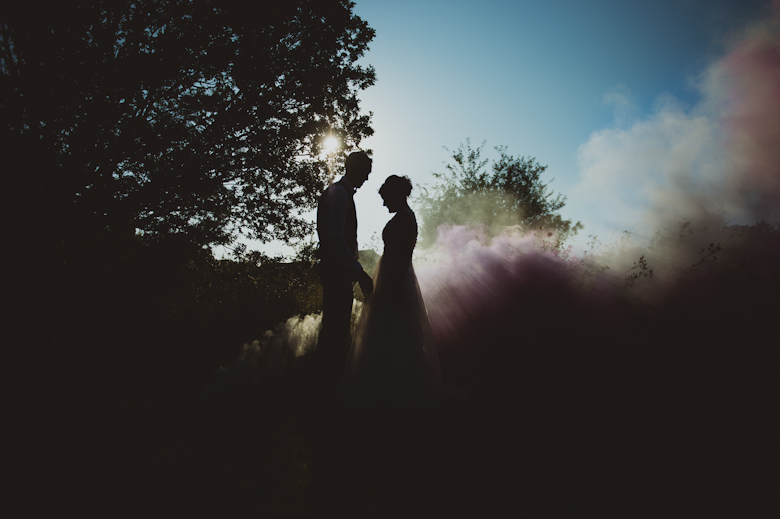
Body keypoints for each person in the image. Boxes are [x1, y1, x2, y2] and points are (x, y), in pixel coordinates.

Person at [345, 175, 441, 398]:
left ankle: (398, 387)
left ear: (396, 195)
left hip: (396, 280)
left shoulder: (405, 218)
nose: (384, 203)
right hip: (391, 278)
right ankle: (388, 385)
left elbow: (405, 255)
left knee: (396, 332)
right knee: (389, 333)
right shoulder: (404, 216)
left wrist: (395, 288)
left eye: (385, 198)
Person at [315, 151, 374, 387]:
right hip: (337, 272)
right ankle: (329, 384)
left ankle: (327, 381)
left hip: (337, 271)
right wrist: (358, 271)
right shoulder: (340, 194)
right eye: (366, 173)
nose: (367, 179)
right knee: (336, 330)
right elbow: (335, 236)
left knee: (335, 326)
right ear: (355, 169)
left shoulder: (340, 192)